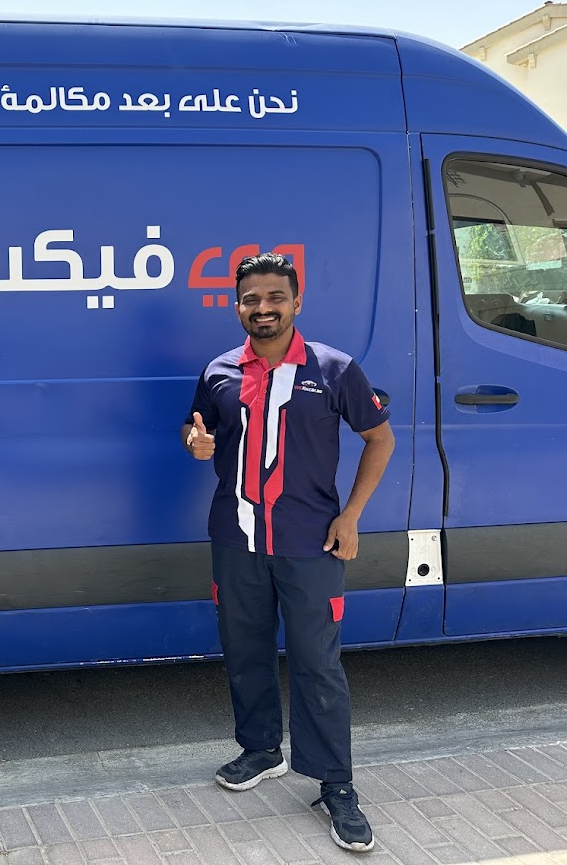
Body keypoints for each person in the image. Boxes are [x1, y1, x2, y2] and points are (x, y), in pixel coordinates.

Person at [181, 252, 394, 853]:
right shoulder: (220, 371)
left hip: (310, 543)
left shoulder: (333, 368)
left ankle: (335, 784)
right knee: (244, 651)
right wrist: (195, 441)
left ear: (296, 302)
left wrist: (351, 517)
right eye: (251, 299)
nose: (264, 308)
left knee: (317, 663)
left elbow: (379, 439)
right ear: (237, 307)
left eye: (275, 296)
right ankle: (261, 750)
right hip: (236, 538)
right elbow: (196, 428)